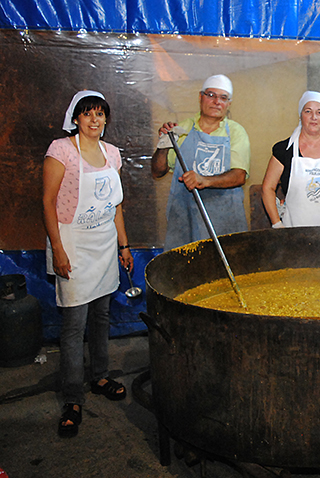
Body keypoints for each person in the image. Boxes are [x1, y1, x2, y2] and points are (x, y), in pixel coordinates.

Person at [43, 90, 133, 438]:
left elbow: (117, 205)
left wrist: (123, 244)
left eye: (100, 114)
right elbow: (48, 202)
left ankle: (99, 375)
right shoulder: (61, 149)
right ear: (76, 118)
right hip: (74, 244)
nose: (95, 120)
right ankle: (72, 397)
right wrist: (59, 249)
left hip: (105, 244)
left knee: (101, 316)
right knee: (73, 324)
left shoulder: (112, 153)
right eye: (88, 114)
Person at [151, 74, 251, 250]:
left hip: (225, 222)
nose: (216, 102)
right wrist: (164, 145)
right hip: (186, 219)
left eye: (223, 98)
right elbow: (158, 171)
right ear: (200, 97)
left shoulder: (236, 132)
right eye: (211, 95)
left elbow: (239, 176)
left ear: (229, 104)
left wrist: (205, 180)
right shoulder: (182, 129)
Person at [261, 91, 320, 227]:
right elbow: (267, 188)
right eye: (308, 111)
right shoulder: (284, 150)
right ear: (300, 115)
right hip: (295, 231)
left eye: (319, 112)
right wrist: (277, 224)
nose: (314, 117)